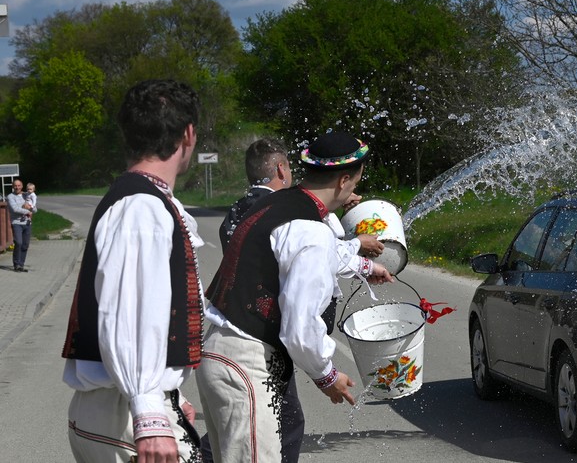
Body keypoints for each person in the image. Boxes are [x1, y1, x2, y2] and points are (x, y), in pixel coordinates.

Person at [196, 130, 393, 462]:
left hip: (219, 353)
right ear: (344, 180)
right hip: (247, 361)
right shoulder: (310, 229)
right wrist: (326, 375)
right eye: (356, 179)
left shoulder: (279, 203)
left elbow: (301, 252)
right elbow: (300, 327)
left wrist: (362, 265)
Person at [61, 79, 203, 463]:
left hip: (118, 409)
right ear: (188, 134)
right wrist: (150, 411)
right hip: (122, 414)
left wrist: (168, 395)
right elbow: (130, 315)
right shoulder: (142, 208)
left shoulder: (141, 198)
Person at [6, 178, 37, 272]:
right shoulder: (10, 196)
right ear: (13, 187)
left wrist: (30, 208)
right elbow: (15, 209)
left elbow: (35, 209)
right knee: (18, 242)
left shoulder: (26, 195)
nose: (17, 187)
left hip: (27, 223)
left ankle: (21, 265)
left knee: (25, 245)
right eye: (15, 185)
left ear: (22, 186)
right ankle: (16, 263)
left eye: (19, 185)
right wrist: (27, 211)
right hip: (16, 223)